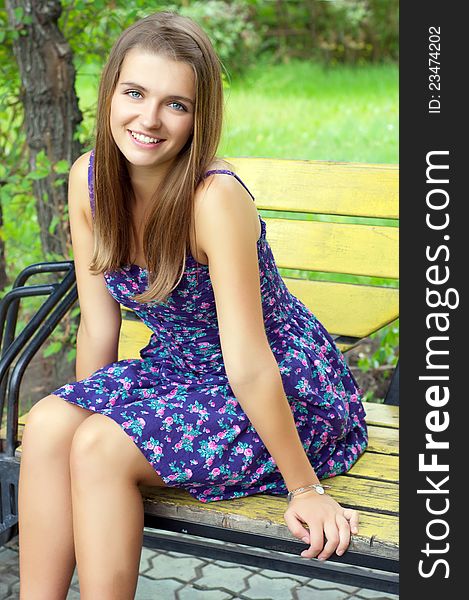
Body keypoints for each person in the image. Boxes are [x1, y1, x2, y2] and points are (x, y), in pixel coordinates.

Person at [17, 10, 368, 599]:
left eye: (175, 104)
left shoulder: (214, 199)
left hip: (280, 386)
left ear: (198, 117)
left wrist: (305, 490)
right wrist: (88, 407)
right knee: (53, 421)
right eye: (134, 93)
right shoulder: (88, 183)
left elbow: (250, 361)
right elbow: (98, 326)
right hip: (181, 372)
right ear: (110, 94)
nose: (148, 119)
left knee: (103, 448)